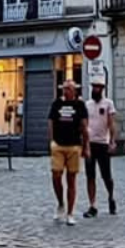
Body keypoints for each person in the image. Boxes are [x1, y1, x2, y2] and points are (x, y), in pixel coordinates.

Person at [47, 79, 88, 224]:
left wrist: (86, 146)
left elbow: (84, 125)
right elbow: (51, 121)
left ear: (74, 90)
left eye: (69, 88)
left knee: (71, 179)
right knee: (56, 174)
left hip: (74, 145)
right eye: (64, 88)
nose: (66, 91)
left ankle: (70, 213)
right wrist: (51, 140)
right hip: (58, 144)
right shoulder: (57, 104)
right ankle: (60, 203)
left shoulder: (79, 105)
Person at [81, 81, 119, 215]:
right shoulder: (87, 105)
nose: (95, 89)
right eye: (94, 87)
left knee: (106, 175)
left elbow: (111, 123)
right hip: (90, 143)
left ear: (102, 89)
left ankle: (111, 196)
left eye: (98, 87)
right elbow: (84, 124)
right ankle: (92, 205)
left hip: (103, 143)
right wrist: (84, 143)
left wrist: (112, 141)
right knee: (90, 175)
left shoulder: (108, 103)